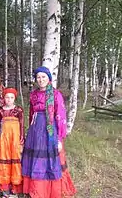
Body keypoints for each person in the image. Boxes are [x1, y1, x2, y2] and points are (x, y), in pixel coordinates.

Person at [22, 66, 76, 198]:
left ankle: (48, 191)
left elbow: (61, 116)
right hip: (35, 130)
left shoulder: (55, 94)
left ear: (49, 78)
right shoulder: (33, 94)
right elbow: (31, 114)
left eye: (43, 77)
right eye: (38, 77)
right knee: (35, 158)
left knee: (47, 160)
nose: (40, 80)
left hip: (49, 131)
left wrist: (59, 138)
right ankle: (35, 190)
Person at [0, 88, 24, 197]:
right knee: (4, 160)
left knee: (15, 160)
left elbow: (21, 125)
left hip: (15, 139)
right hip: (3, 139)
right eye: (7, 97)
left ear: (14, 98)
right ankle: (4, 187)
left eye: (11, 97)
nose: (9, 99)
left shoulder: (18, 110)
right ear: (3, 98)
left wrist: (21, 140)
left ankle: (15, 187)